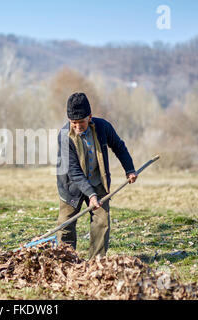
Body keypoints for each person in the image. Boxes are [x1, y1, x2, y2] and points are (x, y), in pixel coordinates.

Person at [56, 92, 137, 259]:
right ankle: (67, 260)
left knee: (102, 221)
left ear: (90, 117)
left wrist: (129, 169)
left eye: (82, 122)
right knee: (66, 224)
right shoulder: (64, 137)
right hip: (72, 185)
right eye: (73, 123)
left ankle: (95, 262)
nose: (77, 127)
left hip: (98, 182)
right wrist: (90, 195)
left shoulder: (103, 127)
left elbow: (119, 147)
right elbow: (73, 171)